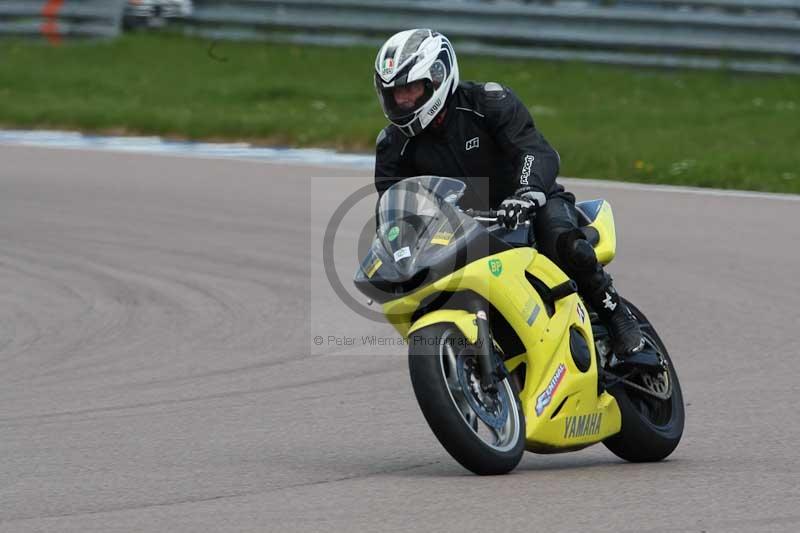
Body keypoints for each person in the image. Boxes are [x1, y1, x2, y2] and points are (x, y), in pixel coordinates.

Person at [372, 28, 644, 358]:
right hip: (459, 233)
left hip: (527, 206)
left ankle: (617, 315)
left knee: (563, 242)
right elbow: (394, 205)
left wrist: (525, 193)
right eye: (395, 92)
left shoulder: (488, 102)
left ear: (438, 76)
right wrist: (393, 253)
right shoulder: (392, 145)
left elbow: (535, 151)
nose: (402, 100)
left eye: (411, 88)